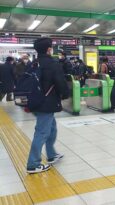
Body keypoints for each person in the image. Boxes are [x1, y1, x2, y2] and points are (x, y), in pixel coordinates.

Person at [26, 38, 69, 173]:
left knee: (52, 128)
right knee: (42, 132)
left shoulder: (34, 63)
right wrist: (66, 94)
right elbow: (60, 82)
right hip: (46, 102)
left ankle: (51, 155)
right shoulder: (52, 63)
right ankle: (33, 164)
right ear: (49, 49)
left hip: (35, 101)